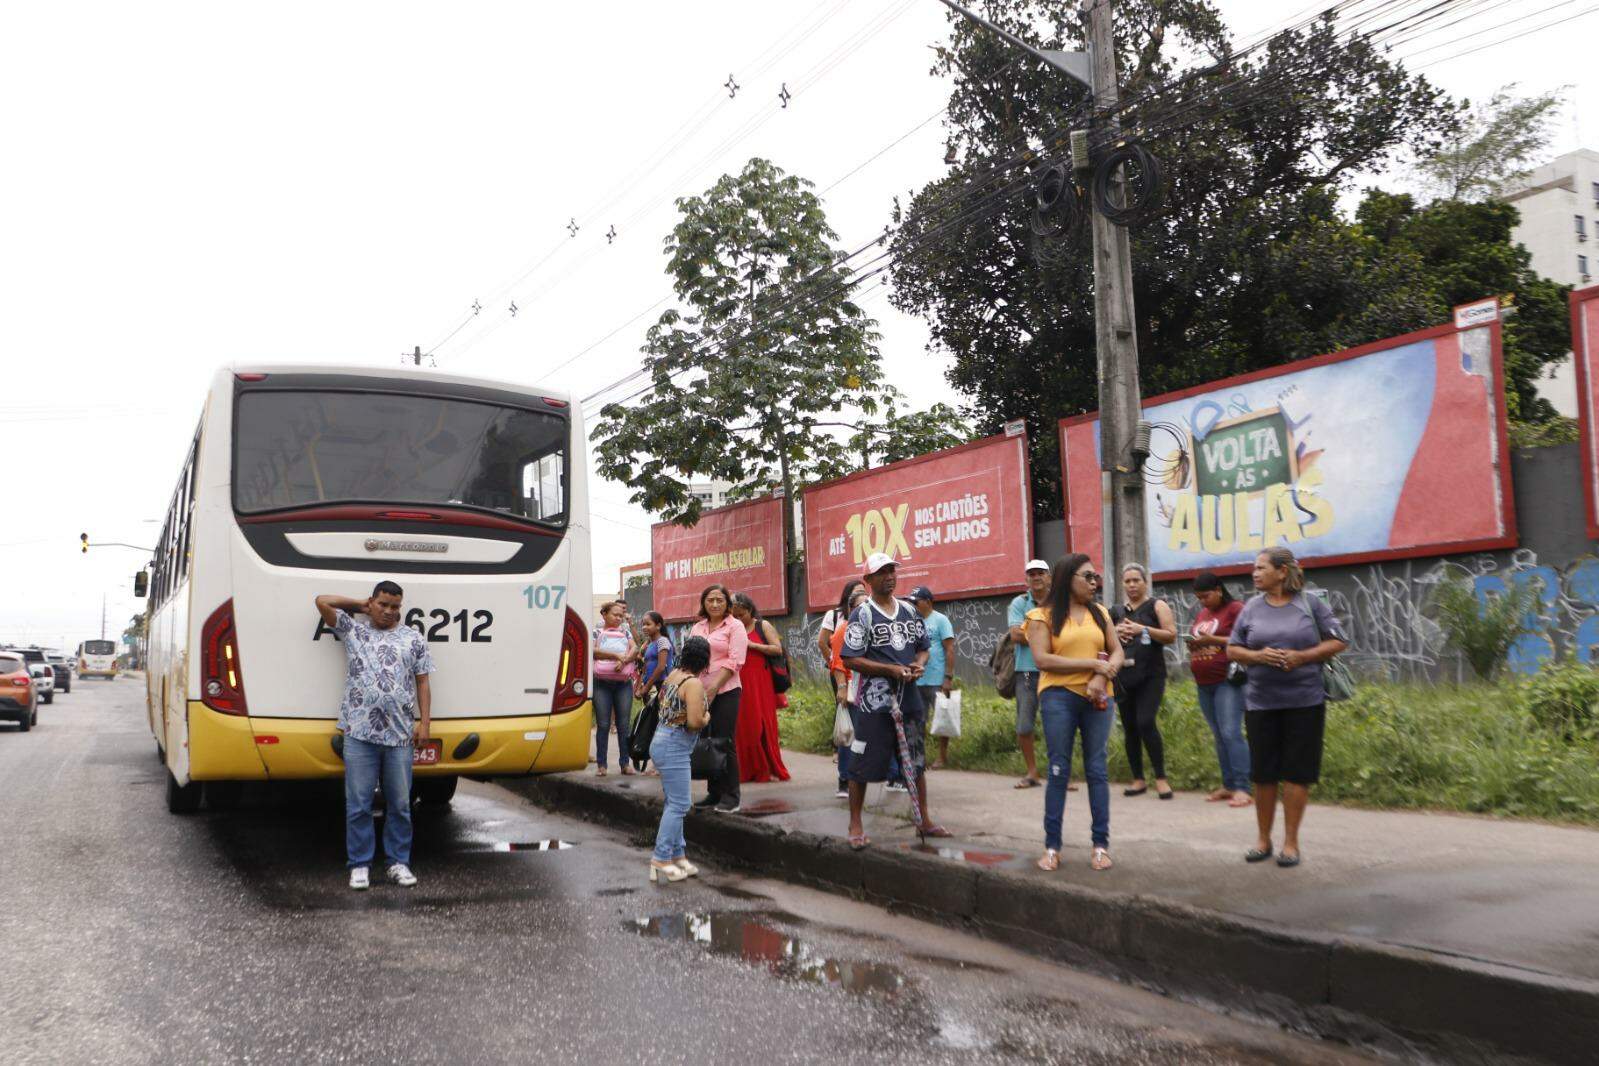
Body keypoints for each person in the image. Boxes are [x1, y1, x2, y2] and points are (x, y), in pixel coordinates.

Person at [1227, 547, 1349, 868]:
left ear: (1282, 571)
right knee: (1263, 774)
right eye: (1254, 569)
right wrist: (1258, 656)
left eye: (1261, 568)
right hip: (1260, 703)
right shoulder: (1251, 608)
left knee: (1297, 772)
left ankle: (1291, 843)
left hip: (1304, 702)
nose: (1254, 574)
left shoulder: (1311, 604)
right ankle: (1262, 840)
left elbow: (1339, 640)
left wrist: (1302, 657)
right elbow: (1232, 649)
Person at [314, 582, 435, 891]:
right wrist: (359, 604)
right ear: (373, 603)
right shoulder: (355, 631)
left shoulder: (414, 639)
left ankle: (398, 862)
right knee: (358, 804)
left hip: (399, 737)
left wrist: (425, 723)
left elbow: (422, 682)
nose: (389, 611)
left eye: (395, 606)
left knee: (400, 804)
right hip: (359, 734)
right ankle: (359, 865)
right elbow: (322, 601)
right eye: (383, 604)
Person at [841, 553, 949, 849]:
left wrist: (919, 664)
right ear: (869, 580)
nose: (889, 576)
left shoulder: (909, 611)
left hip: (909, 698)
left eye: (892, 570)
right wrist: (888, 669)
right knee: (861, 764)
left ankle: (922, 820)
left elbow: (923, 647)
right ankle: (855, 824)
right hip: (875, 703)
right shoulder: (862, 614)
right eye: (882, 572)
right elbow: (849, 658)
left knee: (915, 761)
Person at [1026, 554, 1122, 873]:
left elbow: (1117, 651)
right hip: (1058, 697)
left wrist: (1102, 676)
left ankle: (1100, 845)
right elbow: (1042, 659)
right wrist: (1092, 665)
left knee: (1097, 769)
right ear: (1069, 579)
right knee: (1058, 769)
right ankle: (1052, 847)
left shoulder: (1100, 613)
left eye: (1095, 577)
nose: (1094, 583)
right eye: (1088, 576)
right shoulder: (1042, 615)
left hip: (1098, 697)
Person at [1110, 563, 1178, 800]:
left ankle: (1161, 778)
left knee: (1145, 721)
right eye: (1127, 581)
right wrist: (1116, 634)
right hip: (1124, 676)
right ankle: (1138, 779)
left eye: (1135, 580)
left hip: (1152, 675)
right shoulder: (1116, 611)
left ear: (1145, 582)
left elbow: (1171, 635)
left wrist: (1142, 630)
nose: (1131, 585)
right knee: (1129, 728)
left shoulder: (1156, 605)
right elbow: (1103, 639)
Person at [648, 635, 712, 883]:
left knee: (673, 803)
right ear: (705, 660)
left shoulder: (673, 675)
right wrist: (707, 717)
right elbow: (695, 722)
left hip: (662, 740)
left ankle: (678, 854)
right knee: (680, 805)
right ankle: (660, 858)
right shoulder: (693, 683)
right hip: (675, 745)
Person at [1189, 572, 1251, 807]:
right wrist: (1195, 644)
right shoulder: (1204, 613)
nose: (1202, 601)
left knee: (1230, 732)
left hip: (1227, 680)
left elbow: (1247, 640)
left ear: (1218, 590)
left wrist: (1212, 640)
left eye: (1206, 596)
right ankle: (1228, 784)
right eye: (1198, 598)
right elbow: (1204, 638)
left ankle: (1243, 787)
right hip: (1204, 683)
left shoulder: (1236, 609)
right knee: (1219, 735)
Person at [689, 584, 747, 813]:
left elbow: (735, 661)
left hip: (726, 690)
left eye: (719, 600)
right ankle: (714, 793)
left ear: (727, 604)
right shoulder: (698, 627)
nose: (714, 604)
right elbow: (691, 657)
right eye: (710, 600)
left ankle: (731, 796)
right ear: (704, 603)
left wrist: (713, 687)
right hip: (699, 692)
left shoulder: (735, 626)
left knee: (724, 741)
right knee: (707, 742)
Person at [729, 593, 790, 783]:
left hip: (761, 681)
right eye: (735, 616)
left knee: (762, 724)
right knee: (744, 725)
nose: (738, 619)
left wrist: (751, 645)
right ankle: (747, 770)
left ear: (750, 610)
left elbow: (777, 649)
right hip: (739, 681)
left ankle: (768, 768)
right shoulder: (730, 628)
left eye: (742, 615)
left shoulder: (762, 625)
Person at [1007, 560, 1052, 790]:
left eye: (1040, 573)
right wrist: (1048, 635)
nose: (1036, 577)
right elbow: (1015, 635)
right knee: (1024, 726)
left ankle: (1059, 774)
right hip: (1026, 673)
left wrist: (1031, 632)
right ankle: (1032, 772)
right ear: (1027, 579)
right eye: (1031, 574)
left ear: (1049, 577)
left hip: (1054, 672)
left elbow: (1066, 631)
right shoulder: (1019, 603)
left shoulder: (1059, 601)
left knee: (1057, 725)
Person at [910, 586, 957, 769]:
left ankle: (942, 757)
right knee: (918, 720)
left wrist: (948, 677)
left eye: (916, 601)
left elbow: (950, 649)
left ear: (928, 602)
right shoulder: (913, 621)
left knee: (942, 719)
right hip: (917, 679)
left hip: (937, 680)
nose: (913, 605)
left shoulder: (940, 620)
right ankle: (918, 756)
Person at [591, 601, 637, 776]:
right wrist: (615, 655)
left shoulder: (625, 631)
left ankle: (625, 764)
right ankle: (602, 765)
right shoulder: (596, 632)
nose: (618, 618)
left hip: (623, 683)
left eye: (620, 615)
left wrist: (624, 660)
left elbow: (635, 648)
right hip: (601, 683)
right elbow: (593, 651)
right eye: (614, 614)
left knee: (623, 725)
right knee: (603, 724)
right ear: (604, 614)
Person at [633, 610, 673, 776]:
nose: (644, 627)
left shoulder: (662, 641)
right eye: (643, 624)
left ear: (659, 625)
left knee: (662, 726)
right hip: (651, 687)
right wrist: (639, 686)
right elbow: (645, 665)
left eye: (648, 624)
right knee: (654, 725)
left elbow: (661, 667)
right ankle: (656, 764)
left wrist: (647, 687)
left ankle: (661, 766)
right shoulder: (649, 643)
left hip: (662, 687)